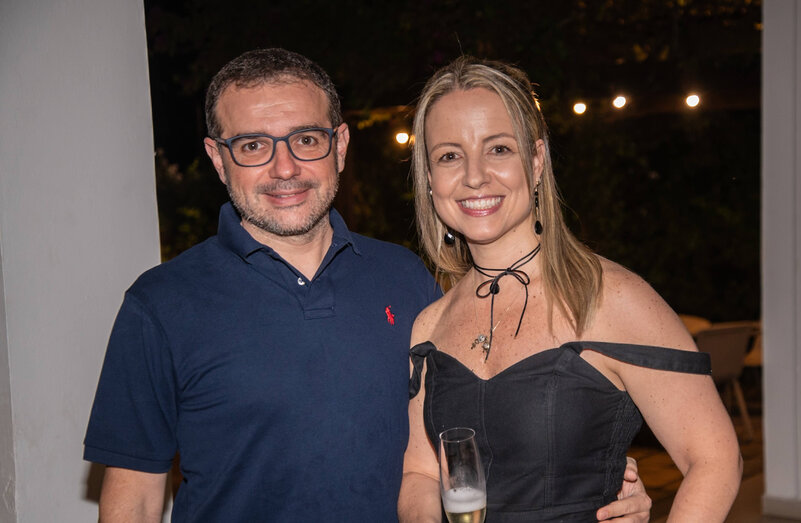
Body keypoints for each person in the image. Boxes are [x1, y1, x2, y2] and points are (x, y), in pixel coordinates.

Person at [83, 49, 650, 522]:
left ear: (340, 145)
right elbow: (132, 496)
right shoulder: (159, 305)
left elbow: (485, 422)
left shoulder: (408, 280)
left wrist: (600, 480)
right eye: (253, 145)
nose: (284, 168)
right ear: (217, 157)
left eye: (305, 139)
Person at [399, 56, 743, 522]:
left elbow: (715, 459)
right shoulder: (430, 324)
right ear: (430, 179)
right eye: (449, 155)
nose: (474, 175)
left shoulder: (610, 297)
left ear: (536, 159)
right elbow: (421, 473)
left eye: (499, 149)